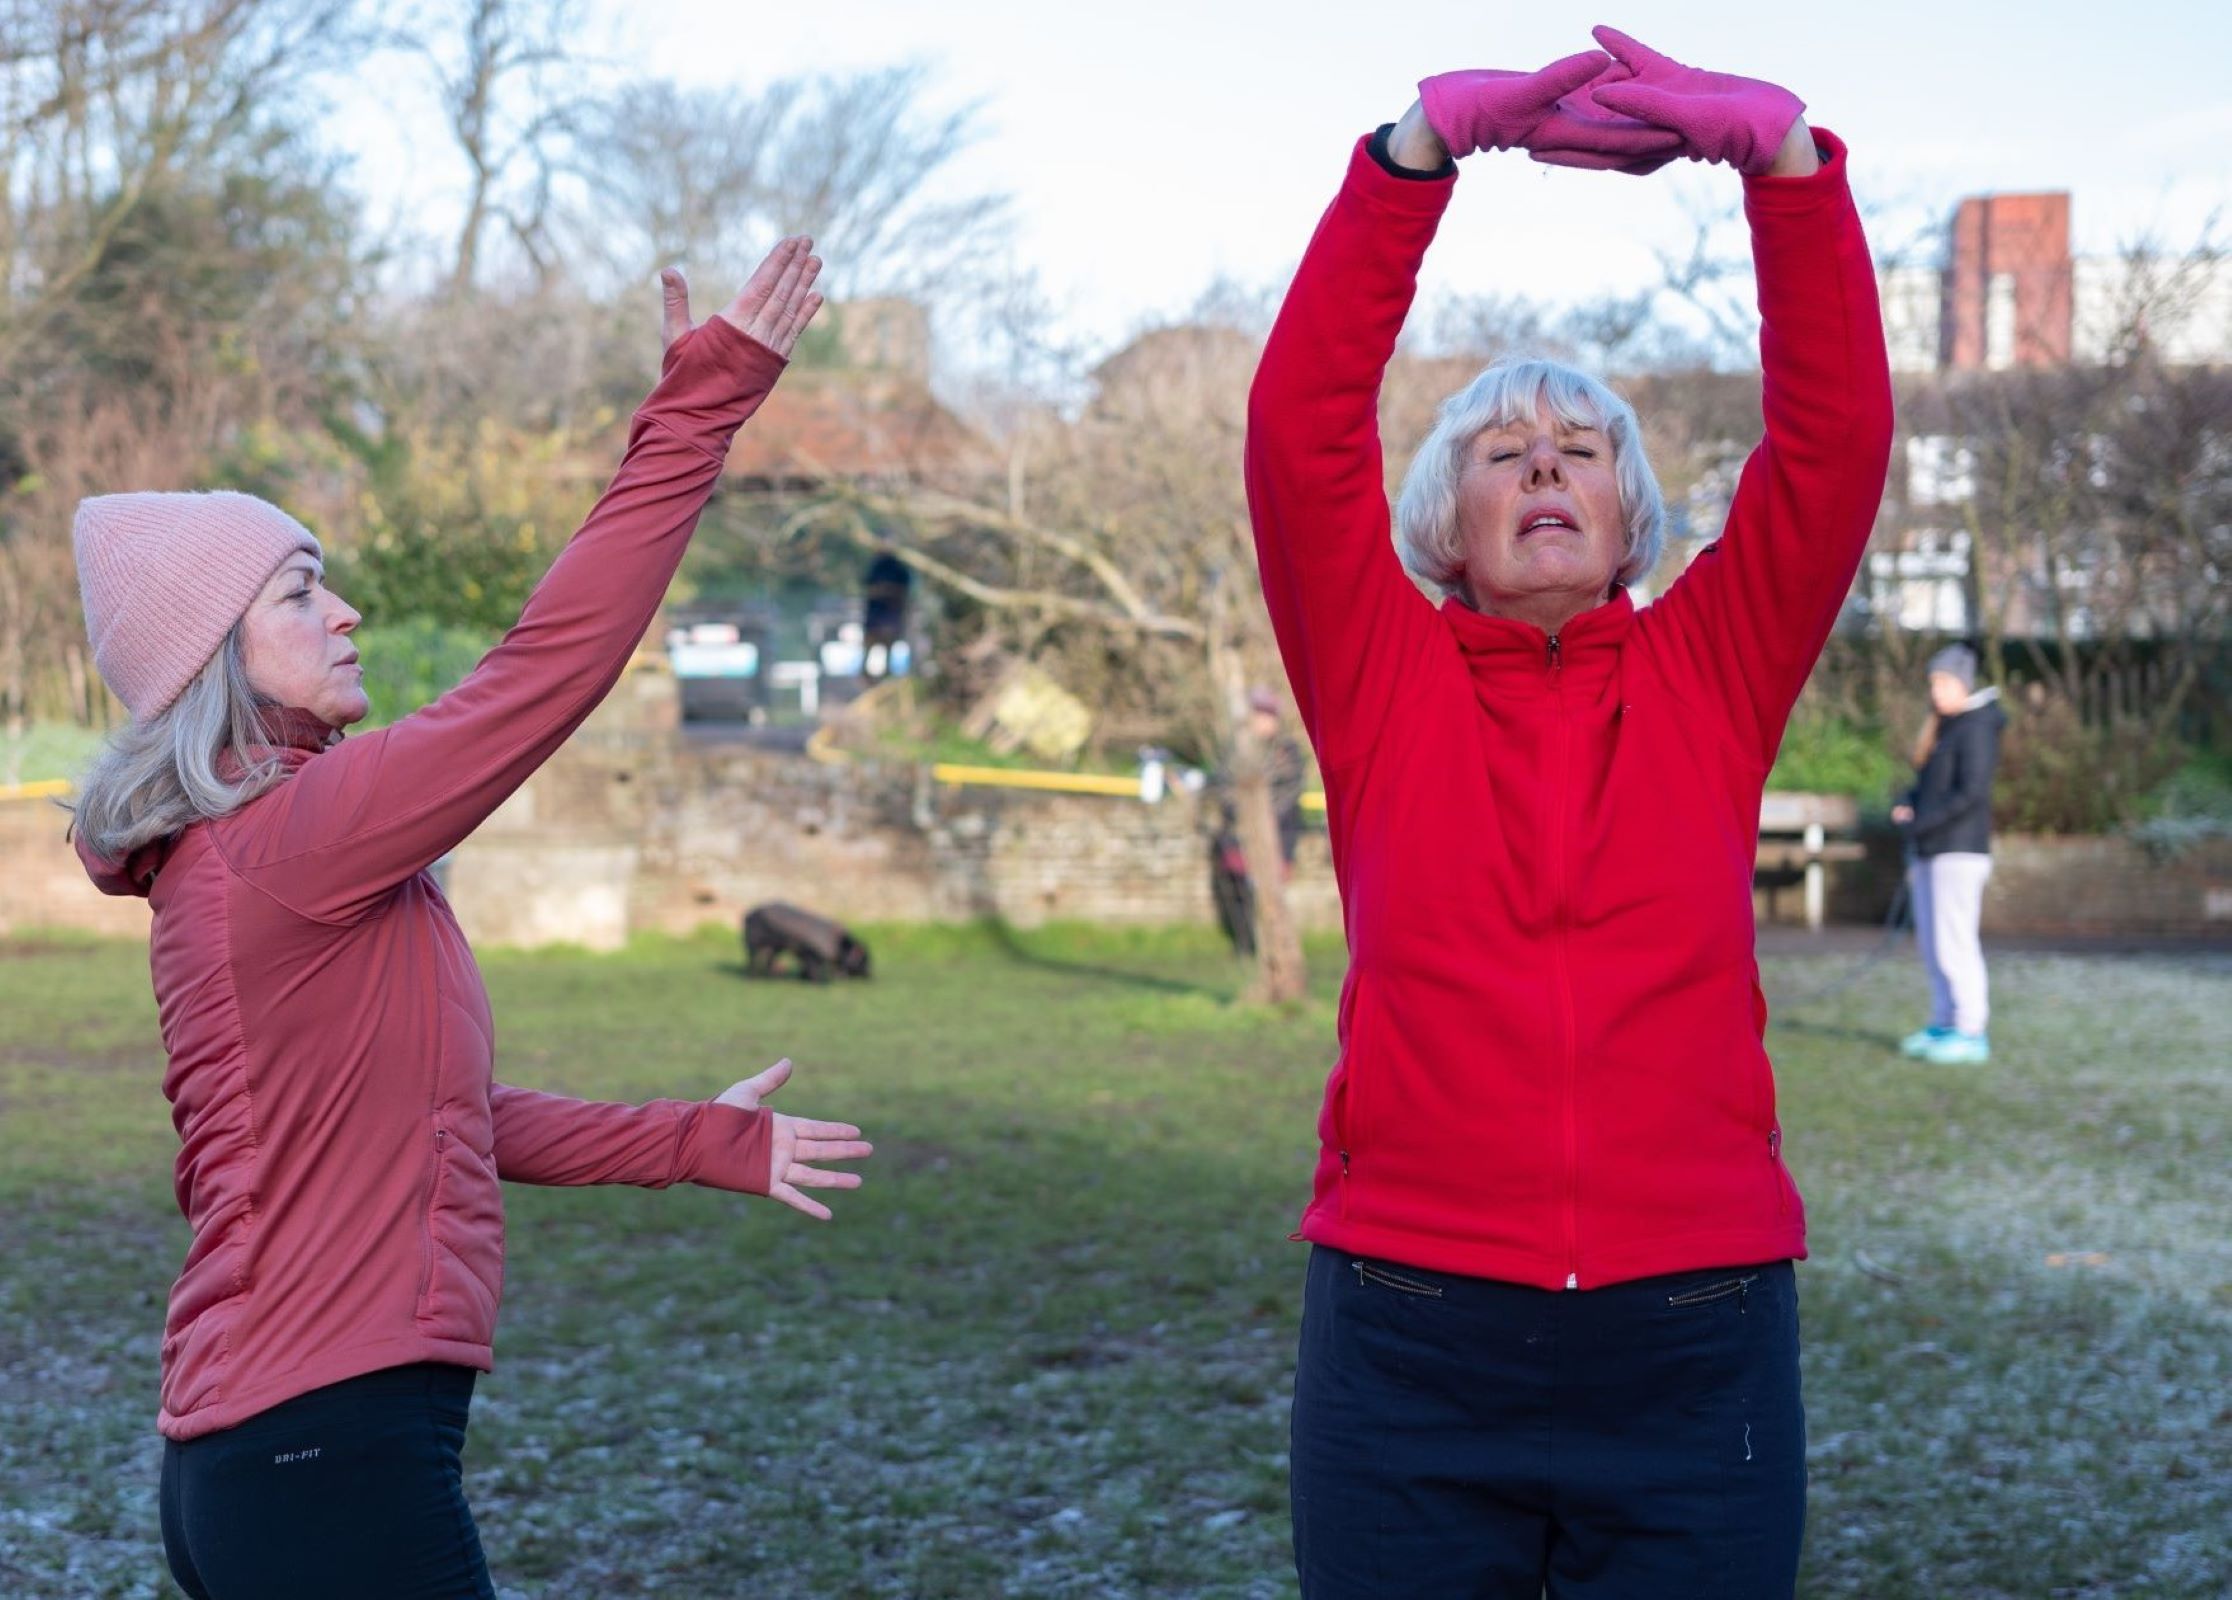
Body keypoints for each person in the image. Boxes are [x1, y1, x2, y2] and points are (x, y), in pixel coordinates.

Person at [68, 238, 873, 1600]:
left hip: (269, 1466)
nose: (347, 609)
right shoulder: (288, 840)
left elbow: (436, 1114)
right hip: (321, 1460)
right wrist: (699, 407)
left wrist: (692, 1138)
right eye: (299, 590)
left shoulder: (273, 848)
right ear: (218, 654)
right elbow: (544, 672)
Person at [1246, 27, 1892, 1597]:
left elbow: (1835, 449)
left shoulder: (1712, 670)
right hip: (1408, 1338)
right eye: (1501, 452)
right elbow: (1294, 437)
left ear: (1625, 514)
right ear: (1445, 524)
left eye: (1580, 449)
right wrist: (1415, 154)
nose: (1545, 464)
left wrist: (1786, 170)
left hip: (1694, 1345)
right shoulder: (1378, 672)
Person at [1891, 643, 2006, 1064]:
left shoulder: (1977, 727)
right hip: (1931, 851)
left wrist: (1920, 823)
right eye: (1933, 683)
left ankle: (1971, 1030)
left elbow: (1970, 793)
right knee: (1934, 944)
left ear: (1962, 682)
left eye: (1942, 682)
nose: (1936, 692)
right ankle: (1944, 1022)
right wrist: (1908, 803)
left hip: (1959, 852)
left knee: (1956, 943)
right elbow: (1928, 786)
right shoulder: (1946, 727)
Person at [1207, 688, 1310, 956]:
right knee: (1235, 890)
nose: (1260, 721)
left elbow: (1288, 795)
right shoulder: (1238, 748)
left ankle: (1272, 949)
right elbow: (1223, 785)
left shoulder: (1287, 753)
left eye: (1265, 715)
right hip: (1238, 835)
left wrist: (1262, 816)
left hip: (1277, 836)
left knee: (1269, 897)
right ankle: (1244, 943)